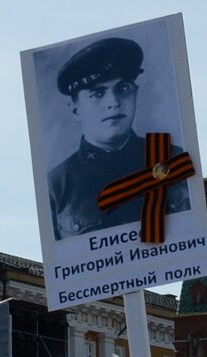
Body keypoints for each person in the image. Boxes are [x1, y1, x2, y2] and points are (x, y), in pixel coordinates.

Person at [47, 36, 191, 240]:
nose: (113, 102)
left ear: (135, 94)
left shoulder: (174, 160)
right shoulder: (55, 186)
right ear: (75, 109)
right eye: (97, 93)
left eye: (123, 88)